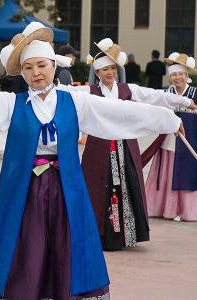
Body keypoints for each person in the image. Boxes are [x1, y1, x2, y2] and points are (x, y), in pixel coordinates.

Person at [0, 22, 185, 300]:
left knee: (66, 240)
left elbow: (120, 112)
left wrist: (168, 118)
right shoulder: (12, 103)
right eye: (29, 67)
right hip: (25, 188)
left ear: (53, 67)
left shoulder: (73, 101)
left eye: (42, 65)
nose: (36, 72)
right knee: (26, 241)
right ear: (22, 71)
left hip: (65, 185)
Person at [75, 38, 197, 251]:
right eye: (104, 69)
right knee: (97, 188)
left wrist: (184, 102)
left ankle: (125, 235)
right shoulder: (89, 92)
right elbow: (66, 94)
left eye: (112, 68)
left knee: (126, 186)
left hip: (125, 146)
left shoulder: (127, 90)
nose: (109, 73)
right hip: (99, 149)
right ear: (97, 72)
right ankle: (100, 236)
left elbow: (156, 97)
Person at [144, 52, 197, 221]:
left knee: (187, 174)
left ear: (187, 75)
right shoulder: (166, 94)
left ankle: (187, 211)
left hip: (190, 142)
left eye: (181, 74)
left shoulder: (195, 93)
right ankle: (165, 208)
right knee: (168, 173)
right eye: (173, 74)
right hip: (169, 142)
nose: (177, 78)